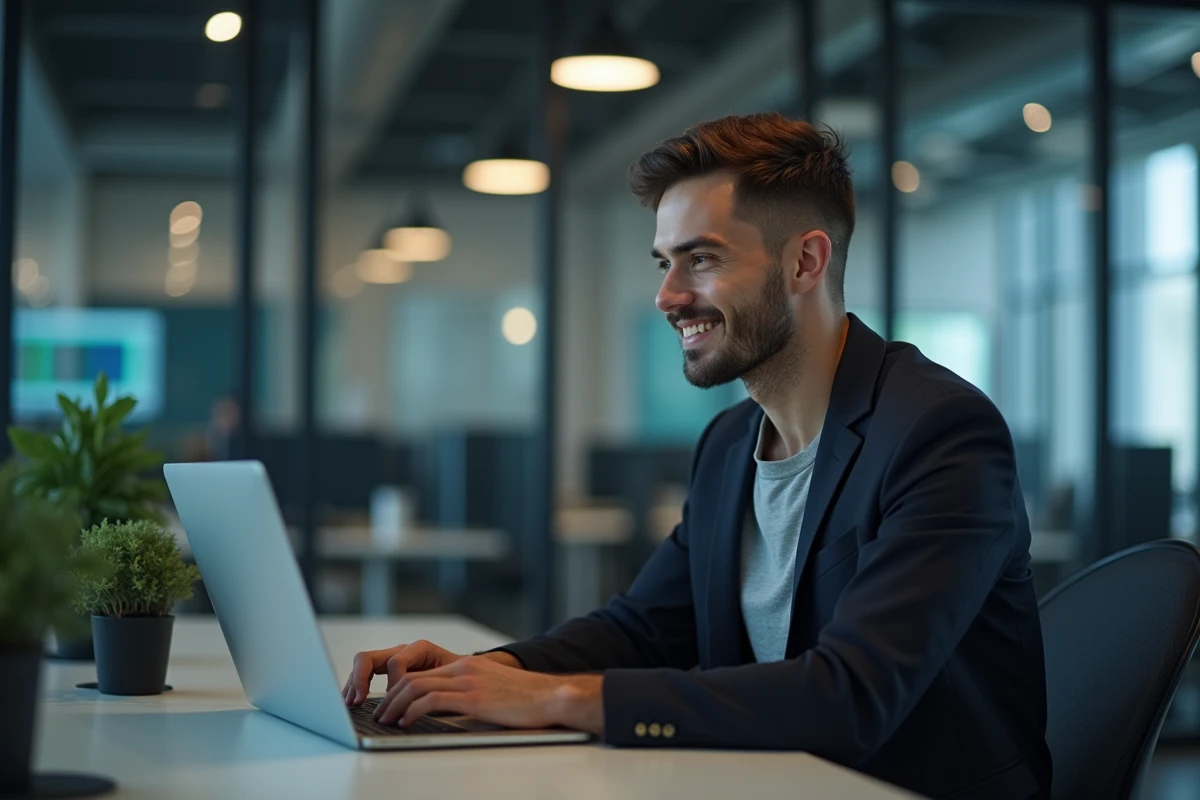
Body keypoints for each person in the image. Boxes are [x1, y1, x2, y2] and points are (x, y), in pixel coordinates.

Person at [343, 112, 1052, 800]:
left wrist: (552, 697)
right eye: (664, 263)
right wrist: (484, 670)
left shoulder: (938, 430)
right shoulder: (728, 444)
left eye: (702, 259)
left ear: (805, 261)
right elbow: (645, 627)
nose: (668, 296)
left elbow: (850, 697)